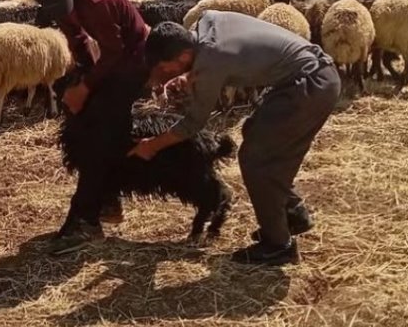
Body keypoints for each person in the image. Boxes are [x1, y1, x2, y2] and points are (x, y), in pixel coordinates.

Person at [134, 13, 341, 266]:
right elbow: (230, 57)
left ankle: (279, 245)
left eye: (165, 69)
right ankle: (292, 212)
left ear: (183, 57)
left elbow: (192, 124)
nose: (163, 75)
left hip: (310, 85)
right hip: (305, 76)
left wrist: (151, 145)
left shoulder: (211, 60)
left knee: (257, 161)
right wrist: (188, 76)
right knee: (254, 133)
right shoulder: (206, 22)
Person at [28, 0, 150, 256]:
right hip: (110, 62)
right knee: (89, 129)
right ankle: (106, 200)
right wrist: (83, 73)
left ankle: (88, 220)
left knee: (102, 136)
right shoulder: (59, 1)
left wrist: (85, 88)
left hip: (133, 62)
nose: (61, 11)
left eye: (63, 4)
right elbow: (78, 38)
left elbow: (115, 51)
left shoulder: (97, 3)